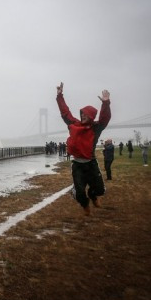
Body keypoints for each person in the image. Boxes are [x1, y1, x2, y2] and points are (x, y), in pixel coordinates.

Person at [56, 82, 111, 215]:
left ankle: (93, 196)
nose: (83, 116)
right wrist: (59, 96)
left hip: (91, 163)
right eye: (82, 114)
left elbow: (105, 118)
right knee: (80, 192)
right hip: (77, 165)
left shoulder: (96, 128)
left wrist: (105, 103)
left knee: (100, 190)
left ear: (92, 116)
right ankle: (85, 204)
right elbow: (65, 113)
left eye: (86, 115)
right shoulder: (74, 123)